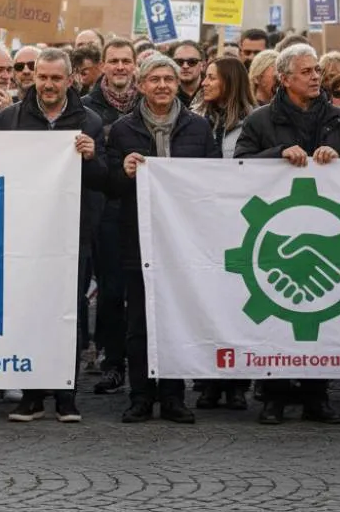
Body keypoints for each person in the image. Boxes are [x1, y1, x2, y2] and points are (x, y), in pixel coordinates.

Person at [235, 43, 340, 426]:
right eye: (307, 72)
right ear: (284, 78)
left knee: (318, 311)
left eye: (316, 72)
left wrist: (338, 160)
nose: (315, 77)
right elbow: (238, 166)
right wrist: (277, 153)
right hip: (276, 230)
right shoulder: (260, 121)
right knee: (279, 311)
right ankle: (273, 397)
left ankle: (316, 395)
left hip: (325, 227)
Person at [0, 48, 106, 424]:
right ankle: (31, 394)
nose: (48, 85)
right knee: (28, 311)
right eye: (42, 77)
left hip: (73, 235)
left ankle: (66, 394)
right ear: (34, 77)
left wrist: (92, 157)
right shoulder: (10, 118)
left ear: (70, 79)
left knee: (69, 314)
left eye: (56, 78)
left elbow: (103, 181)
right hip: (24, 234)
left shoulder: (89, 121)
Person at [108, 53, 217, 424]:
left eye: (168, 80)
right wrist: (123, 172)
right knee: (138, 322)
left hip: (182, 241)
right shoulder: (122, 130)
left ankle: (172, 396)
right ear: (141, 85)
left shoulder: (199, 128)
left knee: (175, 319)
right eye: (154, 79)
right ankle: (140, 396)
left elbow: (213, 180)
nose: (162, 86)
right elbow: (108, 184)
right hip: (136, 238)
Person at [189, 55, 254, 411]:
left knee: (237, 304)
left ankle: (236, 383)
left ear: (229, 81)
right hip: (202, 224)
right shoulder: (195, 119)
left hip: (240, 223)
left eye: (212, 77)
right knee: (207, 301)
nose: (205, 83)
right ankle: (208, 380)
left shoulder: (253, 122)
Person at [81, 38, 138, 395]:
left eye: (125, 61)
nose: (119, 67)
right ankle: (112, 360)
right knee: (111, 291)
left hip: (139, 208)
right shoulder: (87, 109)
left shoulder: (149, 104)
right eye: (113, 60)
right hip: (101, 211)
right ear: (103, 65)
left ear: (135, 66)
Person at [171, 41, 204, 107]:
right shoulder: (167, 92)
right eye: (179, 62)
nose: (185, 66)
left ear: (202, 65)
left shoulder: (213, 91)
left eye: (192, 62)